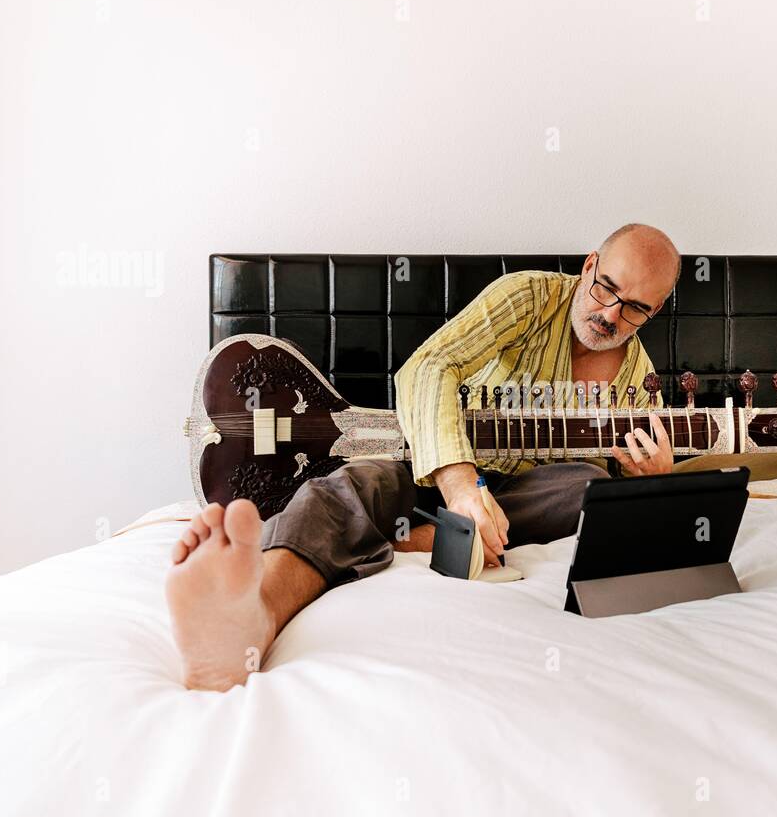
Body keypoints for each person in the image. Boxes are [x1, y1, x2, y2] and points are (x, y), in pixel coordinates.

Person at [164, 223, 682, 690]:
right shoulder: (529, 297)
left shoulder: (642, 381)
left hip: (525, 503)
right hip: (436, 466)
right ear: (589, 264)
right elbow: (428, 367)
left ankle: (429, 536)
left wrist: (654, 479)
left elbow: (620, 487)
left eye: (636, 307)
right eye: (607, 287)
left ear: (654, 312)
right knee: (345, 491)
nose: (611, 314)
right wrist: (460, 486)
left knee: (590, 491)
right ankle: (248, 619)